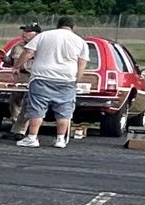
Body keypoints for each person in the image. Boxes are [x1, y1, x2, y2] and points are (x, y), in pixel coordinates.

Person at [14, 18, 89, 148]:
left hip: (41, 77)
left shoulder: (44, 35)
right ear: (73, 27)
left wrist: (16, 66)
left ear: (58, 25)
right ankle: (60, 139)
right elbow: (82, 63)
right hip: (67, 79)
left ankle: (32, 137)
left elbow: (28, 52)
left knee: (37, 108)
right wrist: (77, 79)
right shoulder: (80, 41)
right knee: (64, 110)